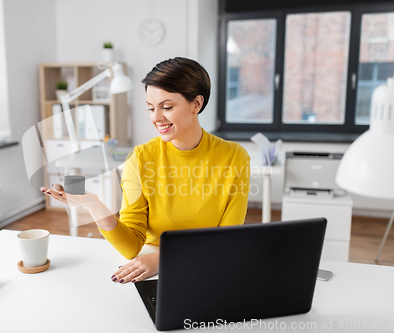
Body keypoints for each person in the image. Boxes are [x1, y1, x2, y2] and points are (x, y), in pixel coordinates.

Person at [40, 57, 250, 284]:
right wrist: (94, 204)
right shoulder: (140, 158)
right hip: (150, 265)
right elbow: (131, 246)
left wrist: (162, 259)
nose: (156, 118)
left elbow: (225, 239)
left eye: (167, 107)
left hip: (206, 263)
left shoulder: (234, 157)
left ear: (196, 104)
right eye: (151, 108)